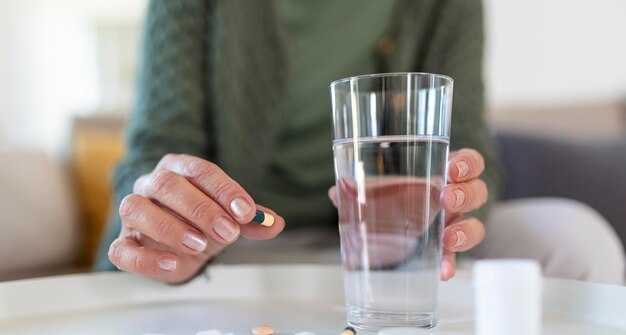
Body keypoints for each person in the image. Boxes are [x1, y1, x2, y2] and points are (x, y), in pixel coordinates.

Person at [95, 0, 624, 285]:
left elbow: (467, 148)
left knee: (574, 236)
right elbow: (154, 152)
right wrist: (168, 209)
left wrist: (451, 198)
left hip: (397, 247)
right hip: (245, 252)